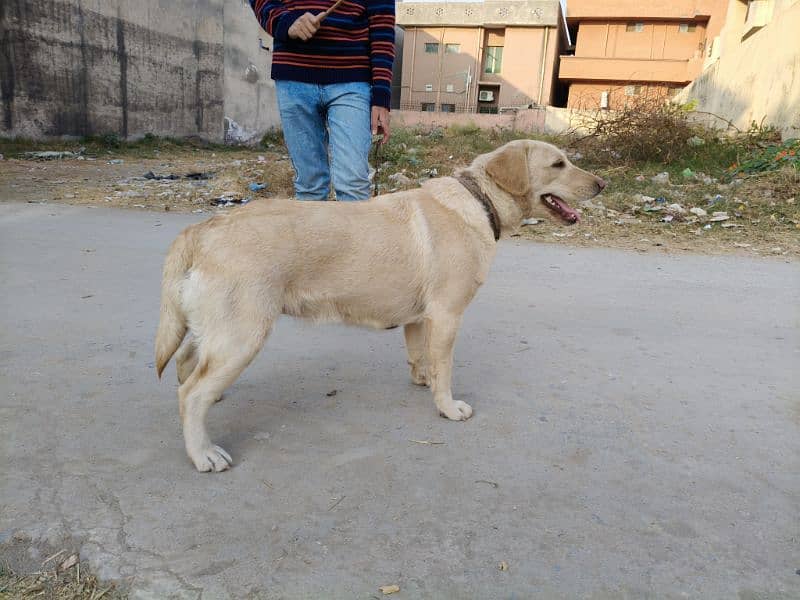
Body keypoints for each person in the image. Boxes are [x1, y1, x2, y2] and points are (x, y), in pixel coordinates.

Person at [250, 0, 395, 201]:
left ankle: (350, 234)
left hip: (352, 76)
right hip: (294, 73)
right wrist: (285, 21)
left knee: (353, 184)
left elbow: (383, 23)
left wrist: (381, 94)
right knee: (310, 186)